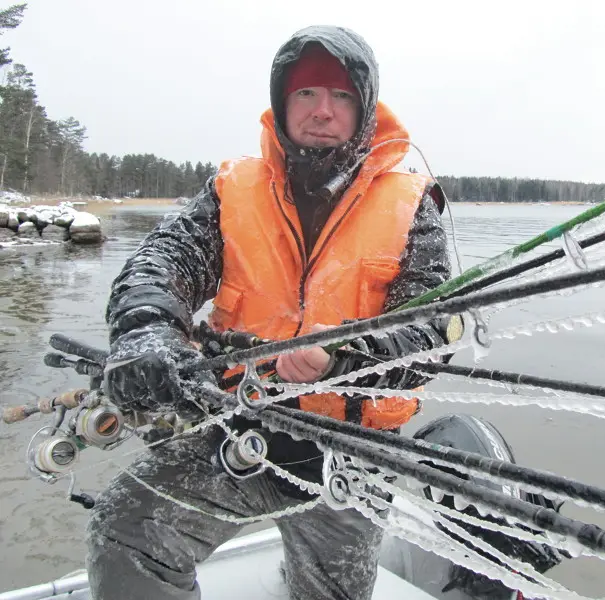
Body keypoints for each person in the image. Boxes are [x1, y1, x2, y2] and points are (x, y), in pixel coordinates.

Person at [85, 25, 456, 600]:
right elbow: (162, 263)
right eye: (305, 93)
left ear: (366, 107)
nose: (321, 111)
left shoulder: (412, 205)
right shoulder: (232, 188)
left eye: (341, 96)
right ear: (281, 102)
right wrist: (147, 330)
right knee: (126, 533)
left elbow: (431, 330)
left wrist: (345, 355)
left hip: (352, 452)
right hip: (236, 419)